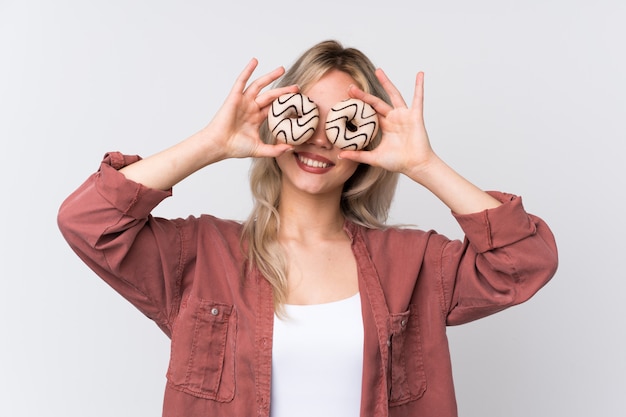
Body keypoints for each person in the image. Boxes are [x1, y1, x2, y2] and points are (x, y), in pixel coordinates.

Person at [57, 40, 558, 417]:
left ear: (366, 143)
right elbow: (89, 222)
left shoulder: (415, 264)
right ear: (277, 121)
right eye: (303, 115)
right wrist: (212, 143)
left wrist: (423, 164)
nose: (318, 139)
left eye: (342, 121)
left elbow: (525, 261)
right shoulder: (201, 256)